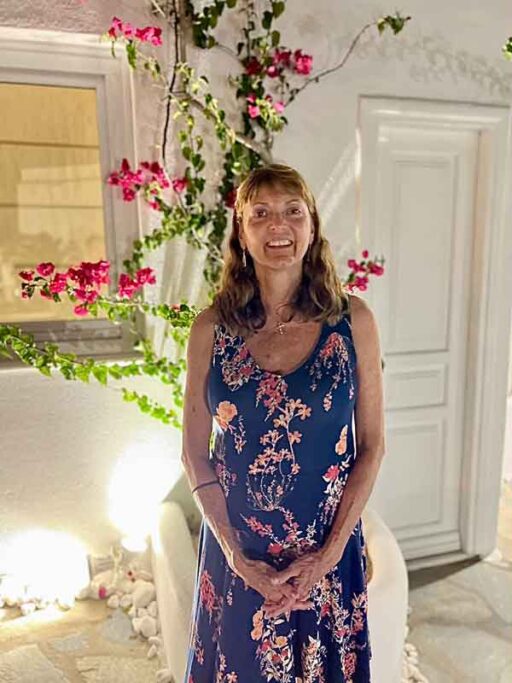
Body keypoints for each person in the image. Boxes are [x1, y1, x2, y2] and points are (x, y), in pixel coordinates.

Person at [180, 163, 385, 682]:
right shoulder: (211, 329)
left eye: (293, 212)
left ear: (312, 227)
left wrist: (327, 556)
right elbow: (194, 452)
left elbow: (373, 446)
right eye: (262, 214)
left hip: (328, 552)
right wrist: (236, 556)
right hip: (240, 555)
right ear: (241, 232)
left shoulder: (353, 321)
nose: (279, 227)